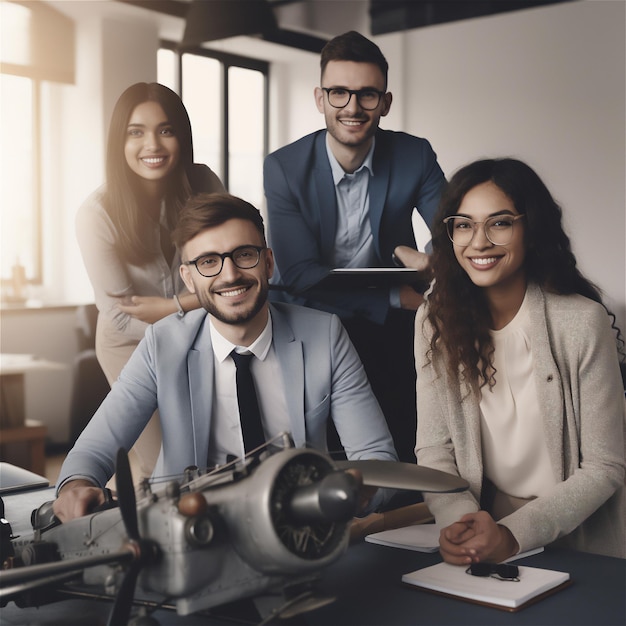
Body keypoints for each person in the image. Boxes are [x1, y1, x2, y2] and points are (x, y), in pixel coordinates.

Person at [54, 192, 398, 522]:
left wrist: (357, 493)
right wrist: (77, 486)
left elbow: (378, 459)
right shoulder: (162, 343)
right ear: (188, 278)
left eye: (244, 255)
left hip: (299, 532)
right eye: (209, 262)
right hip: (192, 538)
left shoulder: (325, 334)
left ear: (268, 263)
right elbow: (93, 450)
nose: (230, 274)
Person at [407, 158, 625, 562]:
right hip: (484, 527)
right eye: (464, 224)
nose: (479, 242)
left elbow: (605, 465)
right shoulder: (433, 321)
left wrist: (511, 535)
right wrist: (463, 523)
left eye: (500, 223)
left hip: (582, 537)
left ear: (531, 229)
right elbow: (435, 448)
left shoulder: (580, 322)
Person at [263, 30, 445, 463]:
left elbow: (454, 229)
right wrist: (390, 295)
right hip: (309, 318)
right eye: (339, 92)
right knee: (320, 453)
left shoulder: (413, 155)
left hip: (390, 327)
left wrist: (437, 259)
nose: (352, 107)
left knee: (406, 435)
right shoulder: (284, 167)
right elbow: (300, 276)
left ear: (385, 102)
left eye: (367, 95)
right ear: (320, 98)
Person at [76, 82, 225, 478]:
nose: (152, 145)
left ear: (182, 136)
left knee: (207, 455)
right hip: (129, 344)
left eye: (166, 129)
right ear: (119, 142)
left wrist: (173, 306)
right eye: (135, 132)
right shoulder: (97, 214)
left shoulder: (205, 185)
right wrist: (192, 309)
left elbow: (226, 274)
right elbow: (122, 316)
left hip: (196, 332)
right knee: (164, 466)